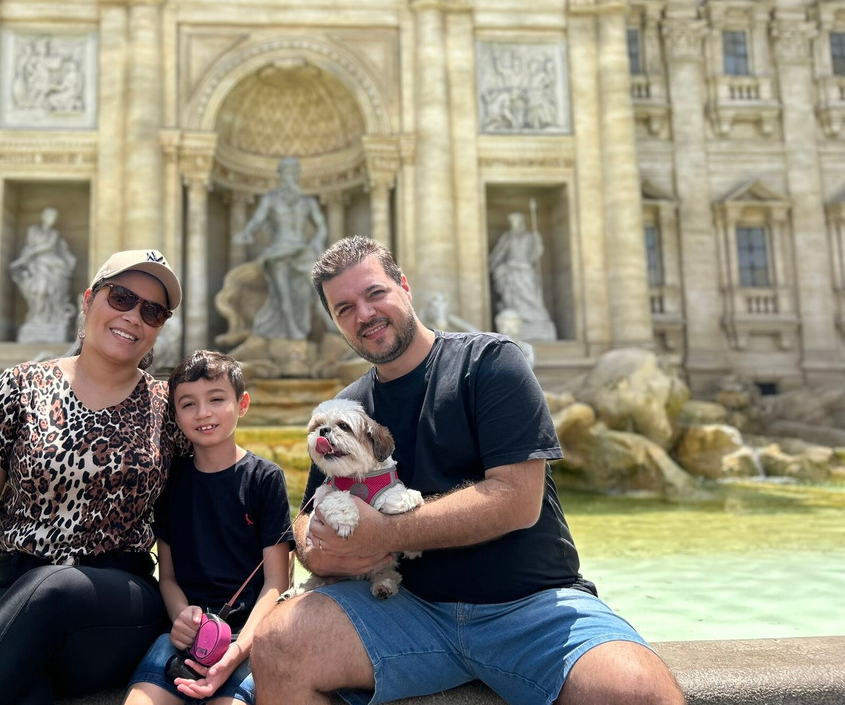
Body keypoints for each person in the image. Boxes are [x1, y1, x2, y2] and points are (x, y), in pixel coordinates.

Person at [250, 236, 685, 705]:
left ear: (404, 286)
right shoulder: (349, 406)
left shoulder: (491, 362)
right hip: (402, 609)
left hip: (530, 605)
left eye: (375, 293)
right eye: (344, 308)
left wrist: (383, 535)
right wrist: (320, 552)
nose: (364, 314)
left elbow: (517, 500)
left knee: (639, 692)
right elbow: (309, 515)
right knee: (276, 645)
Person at [0, 249, 187, 705]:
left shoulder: (170, 407)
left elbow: (199, 514)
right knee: (26, 687)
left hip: (114, 606)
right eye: (122, 298)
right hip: (6, 594)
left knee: (56, 585)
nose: (134, 316)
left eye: (152, 310)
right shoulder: (20, 386)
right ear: (88, 300)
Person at [124, 350, 294, 705]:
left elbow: (278, 581)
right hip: (183, 635)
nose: (203, 413)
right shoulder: (170, 481)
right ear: (175, 413)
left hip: (247, 635)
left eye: (216, 399)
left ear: (241, 403)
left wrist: (239, 650)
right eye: (188, 404)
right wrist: (180, 615)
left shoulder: (265, 479)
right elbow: (167, 575)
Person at [232, 156, 327, 341]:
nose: (290, 176)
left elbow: (321, 227)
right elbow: (258, 220)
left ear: (297, 175)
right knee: (282, 295)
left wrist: (317, 242)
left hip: (302, 251)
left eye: (294, 172)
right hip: (278, 251)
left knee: (314, 290)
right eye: (286, 172)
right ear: (281, 175)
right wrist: (246, 233)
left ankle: (327, 326)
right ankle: (293, 334)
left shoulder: (308, 202)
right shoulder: (271, 199)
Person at [9, 206, 78, 341]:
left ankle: (50, 320)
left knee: (50, 293)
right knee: (38, 292)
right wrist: (24, 260)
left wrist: (28, 255)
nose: (51, 220)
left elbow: (48, 246)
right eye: (49, 216)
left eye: (54, 218)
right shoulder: (33, 230)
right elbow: (28, 246)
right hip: (36, 266)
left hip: (52, 265)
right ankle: (36, 319)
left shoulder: (54, 234)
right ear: (43, 217)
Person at [489, 210, 557, 341]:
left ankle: (535, 320)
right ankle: (516, 322)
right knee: (514, 300)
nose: (514, 224)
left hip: (525, 270)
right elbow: (499, 253)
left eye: (516, 221)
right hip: (511, 271)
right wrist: (494, 265)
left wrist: (538, 244)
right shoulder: (507, 237)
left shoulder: (531, 236)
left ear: (521, 222)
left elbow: (534, 256)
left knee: (531, 296)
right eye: (512, 221)